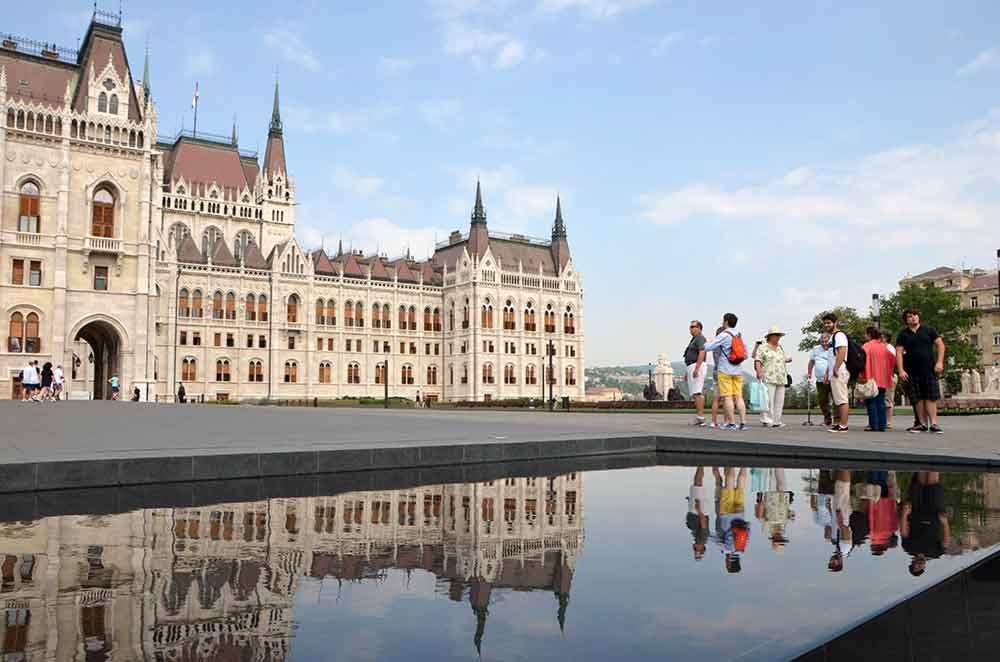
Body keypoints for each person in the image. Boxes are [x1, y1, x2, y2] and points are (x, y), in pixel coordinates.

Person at [896, 309, 946, 434]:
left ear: (919, 317)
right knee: (917, 398)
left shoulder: (929, 330)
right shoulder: (903, 334)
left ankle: (934, 424)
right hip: (911, 370)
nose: (913, 318)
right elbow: (898, 352)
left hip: (929, 369)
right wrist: (901, 370)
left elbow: (940, 345)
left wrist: (940, 362)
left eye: (915, 315)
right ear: (906, 320)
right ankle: (922, 424)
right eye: (909, 316)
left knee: (930, 397)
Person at [703, 313, 749, 431]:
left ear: (726, 322)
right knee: (739, 397)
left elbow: (709, 347)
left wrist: (704, 344)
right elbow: (746, 354)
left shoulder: (724, 335)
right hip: (738, 370)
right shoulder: (739, 335)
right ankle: (743, 423)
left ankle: (731, 423)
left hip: (725, 370)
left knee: (728, 397)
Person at [901, 472, 951, 576]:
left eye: (916, 567)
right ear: (924, 567)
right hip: (935, 512)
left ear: (912, 564)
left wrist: (905, 514)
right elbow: (946, 541)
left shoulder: (909, 548)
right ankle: (935, 459)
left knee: (920, 480)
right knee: (933, 481)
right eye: (921, 568)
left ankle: (924, 458)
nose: (919, 566)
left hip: (916, 509)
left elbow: (904, 532)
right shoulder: (936, 553)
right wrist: (946, 524)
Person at [754, 326, 793, 428]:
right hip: (768, 376)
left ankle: (777, 420)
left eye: (779, 336)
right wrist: (758, 372)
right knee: (768, 399)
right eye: (776, 335)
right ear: (770, 337)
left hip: (781, 376)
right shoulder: (763, 347)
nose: (778, 337)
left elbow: (781, 359)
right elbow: (758, 360)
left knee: (779, 400)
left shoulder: (780, 348)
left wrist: (787, 359)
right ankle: (767, 420)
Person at [713, 466, 749, 573]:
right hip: (726, 515)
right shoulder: (725, 549)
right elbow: (713, 539)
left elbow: (748, 531)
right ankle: (731, 462)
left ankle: (744, 463)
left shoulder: (742, 548)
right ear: (729, 563)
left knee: (740, 488)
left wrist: (746, 523)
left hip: (740, 515)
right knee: (729, 486)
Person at [861, 327, 896, 432]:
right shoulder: (884, 347)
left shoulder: (866, 346)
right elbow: (893, 359)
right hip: (883, 378)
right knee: (881, 401)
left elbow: (861, 361)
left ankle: (873, 425)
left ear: (869, 335)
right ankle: (882, 425)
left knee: (871, 401)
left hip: (870, 377)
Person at [822, 313, 851, 433]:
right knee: (838, 399)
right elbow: (831, 357)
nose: (826, 325)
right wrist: (827, 372)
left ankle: (843, 425)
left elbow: (842, 352)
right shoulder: (832, 337)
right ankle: (839, 423)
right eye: (825, 323)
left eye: (829, 322)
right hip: (835, 371)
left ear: (835, 323)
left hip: (840, 371)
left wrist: (836, 368)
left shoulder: (839, 336)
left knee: (842, 398)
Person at [683, 321, 708, 426]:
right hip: (691, 366)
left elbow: (702, 352)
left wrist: (697, 368)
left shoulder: (700, 338)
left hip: (697, 365)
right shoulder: (694, 339)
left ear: (699, 328)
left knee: (697, 392)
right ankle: (699, 416)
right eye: (690, 327)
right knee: (695, 392)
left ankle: (700, 417)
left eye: (693, 326)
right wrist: (687, 371)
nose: (691, 328)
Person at [807, 334, 833, 426]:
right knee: (822, 400)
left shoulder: (833, 348)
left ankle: (839, 420)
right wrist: (809, 373)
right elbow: (811, 362)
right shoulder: (816, 349)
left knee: (836, 400)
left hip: (832, 378)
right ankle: (827, 419)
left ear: (829, 341)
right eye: (822, 341)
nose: (824, 343)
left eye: (826, 341)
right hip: (820, 380)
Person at [686, 467, 710, 561]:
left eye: (694, 550)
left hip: (695, 510)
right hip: (699, 511)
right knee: (698, 482)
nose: (694, 548)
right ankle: (701, 463)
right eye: (697, 549)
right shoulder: (702, 539)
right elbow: (704, 523)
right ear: (702, 548)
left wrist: (690, 502)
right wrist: (699, 509)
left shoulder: (697, 539)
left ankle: (700, 464)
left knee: (697, 483)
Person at [709, 325, 724, 428]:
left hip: (716, 372)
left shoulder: (715, 345)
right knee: (728, 398)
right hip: (724, 372)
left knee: (716, 398)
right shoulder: (725, 345)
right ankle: (728, 421)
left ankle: (713, 421)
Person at [881, 331, 897, 430]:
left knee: (888, 399)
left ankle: (888, 421)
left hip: (888, 376)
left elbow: (892, 363)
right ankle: (882, 420)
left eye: (881, 337)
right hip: (881, 376)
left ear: (886, 338)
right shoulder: (881, 347)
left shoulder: (890, 348)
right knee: (881, 400)